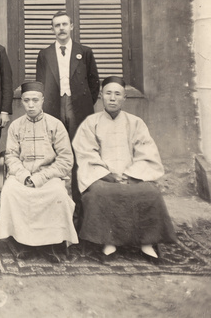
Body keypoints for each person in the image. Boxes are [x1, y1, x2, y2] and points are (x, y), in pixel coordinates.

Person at [73, 76, 176, 263]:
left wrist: (131, 174)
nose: (112, 98)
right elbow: (86, 153)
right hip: (103, 177)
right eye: (108, 94)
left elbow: (147, 153)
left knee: (150, 193)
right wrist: (106, 175)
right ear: (101, 97)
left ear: (124, 98)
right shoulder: (91, 123)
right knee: (99, 194)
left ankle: (147, 242)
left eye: (117, 94)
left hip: (132, 174)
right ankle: (108, 242)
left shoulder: (136, 123)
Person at [0, 81, 78, 262]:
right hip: (22, 176)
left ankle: (51, 244)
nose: (31, 105)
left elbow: (65, 160)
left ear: (43, 100)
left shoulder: (55, 125)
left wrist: (42, 177)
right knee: (10, 192)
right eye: (26, 101)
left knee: (57, 193)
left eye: (35, 100)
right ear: (22, 102)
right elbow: (10, 156)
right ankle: (22, 243)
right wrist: (24, 175)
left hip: (49, 176)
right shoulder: (16, 126)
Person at [35, 11, 99, 139]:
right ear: (52, 29)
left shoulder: (85, 52)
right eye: (57, 25)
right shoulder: (45, 54)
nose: (61, 28)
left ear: (71, 26)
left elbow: (94, 82)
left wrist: (85, 101)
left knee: (79, 139)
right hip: (54, 103)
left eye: (64, 24)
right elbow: (40, 84)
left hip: (78, 102)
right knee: (56, 139)